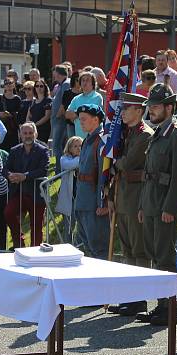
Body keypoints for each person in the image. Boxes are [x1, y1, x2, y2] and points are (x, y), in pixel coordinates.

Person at [136, 84, 177, 326]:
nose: (152, 110)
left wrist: (170, 208)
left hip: (165, 207)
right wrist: (142, 204)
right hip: (150, 203)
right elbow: (148, 173)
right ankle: (161, 306)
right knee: (154, 255)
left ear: (169, 107)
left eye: (157, 106)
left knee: (165, 258)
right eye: (150, 106)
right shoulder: (158, 134)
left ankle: (170, 309)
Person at [107, 92, 154, 317]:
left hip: (137, 197)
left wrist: (116, 162)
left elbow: (128, 162)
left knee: (139, 250)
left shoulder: (144, 135)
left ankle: (140, 298)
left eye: (127, 109)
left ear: (139, 111)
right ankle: (130, 297)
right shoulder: (126, 134)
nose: (123, 113)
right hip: (124, 194)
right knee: (127, 249)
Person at [4, 122, 50, 248]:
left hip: (36, 194)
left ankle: (35, 251)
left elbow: (43, 170)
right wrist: (10, 175)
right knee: (8, 212)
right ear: (20, 135)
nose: (28, 136)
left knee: (36, 226)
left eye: (30, 133)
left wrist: (25, 176)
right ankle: (19, 244)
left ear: (35, 134)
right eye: (25, 133)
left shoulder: (43, 150)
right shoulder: (14, 150)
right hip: (18, 193)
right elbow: (5, 168)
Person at [73, 105, 109, 259]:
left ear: (96, 119)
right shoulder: (88, 139)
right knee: (87, 246)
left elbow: (104, 175)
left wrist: (102, 203)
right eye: (79, 118)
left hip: (94, 203)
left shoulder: (101, 141)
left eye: (84, 118)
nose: (80, 122)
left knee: (98, 248)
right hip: (83, 200)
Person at [56, 136, 82, 244]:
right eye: (75, 146)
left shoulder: (84, 158)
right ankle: (67, 245)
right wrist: (82, 158)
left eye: (80, 146)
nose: (78, 148)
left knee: (81, 224)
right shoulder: (64, 158)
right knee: (69, 225)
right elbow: (70, 165)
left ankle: (80, 246)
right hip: (69, 196)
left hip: (81, 196)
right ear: (69, 148)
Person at [67, 71, 103, 138]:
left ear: (93, 84)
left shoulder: (98, 97)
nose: (85, 82)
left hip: (93, 137)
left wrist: (76, 114)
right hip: (79, 137)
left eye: (87, 80)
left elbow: (93, 114)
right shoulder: (76, 98)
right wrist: (79, 113)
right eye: (83, 80)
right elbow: (67, 114)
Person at [50, 64, 71, 166]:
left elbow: (64, 101)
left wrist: (58, 114)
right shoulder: (62, 84)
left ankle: (59, 169)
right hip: (57, 120)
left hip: (60, 121)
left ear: (57, 73)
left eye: (54, 72)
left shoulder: (66, 84)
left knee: (56, 145)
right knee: (58, 146)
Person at [0, 79, 21, 151]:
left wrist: (11, 114)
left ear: (14, 85)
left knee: (14, 149)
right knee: (2, 148)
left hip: (13, 127)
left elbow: (20, 113)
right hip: (2, 127)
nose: (8, 85)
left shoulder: (17, 99)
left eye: (10, 83)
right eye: (6, 83)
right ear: (4, 86)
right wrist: (1, 114)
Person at [27, 79, 52, 144]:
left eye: (41, 86)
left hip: (43, 129)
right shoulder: (33, 101)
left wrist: (35, 125)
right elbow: (28, 115)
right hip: (32, 129)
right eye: (37, 86)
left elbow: (47, 116)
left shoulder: (48, 100)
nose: (39, 88)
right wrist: (28, 124)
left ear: (45, 87)